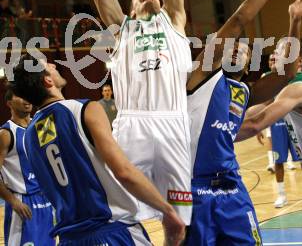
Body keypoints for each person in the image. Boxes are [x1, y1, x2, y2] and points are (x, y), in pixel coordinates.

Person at [83, 0, 192, 226]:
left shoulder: (173, 21)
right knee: (122, 217)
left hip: (174, 121)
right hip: (132, 126)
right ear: (129, 11)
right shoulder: (122, 30)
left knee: (178, 220)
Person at [185, 0, 302, 245]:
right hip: (192, 186)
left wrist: (294, 20)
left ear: (248, 66)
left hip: (232, 185)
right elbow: (238, 20)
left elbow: (287, 74)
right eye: (232, 45)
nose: (236, 48)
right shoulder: (201, 77)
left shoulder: (246, 92)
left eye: (244, 50)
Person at [10, 55, 184, 246]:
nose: (53, 64)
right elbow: (124, 172)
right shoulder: (85, 109)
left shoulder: (27, 137)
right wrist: (167, 210)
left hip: (69, 240)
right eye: (48, 65)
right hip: (110, 232)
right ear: (48, 80)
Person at [248, 53, 302, 208]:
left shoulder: (297, 87)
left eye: (281, 55)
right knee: (279, 160)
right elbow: (257, 109)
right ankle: (282, 194)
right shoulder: (283, 84)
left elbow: (254, 123)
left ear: (298, 62)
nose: (275, 59)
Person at [0, 89, 55, 246]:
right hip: (22, 203)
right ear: (9, 103)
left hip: (46, 200)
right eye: (20, 95)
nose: (26, 99)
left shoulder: (42, 126)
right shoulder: (6, 133)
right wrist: (12, 201)